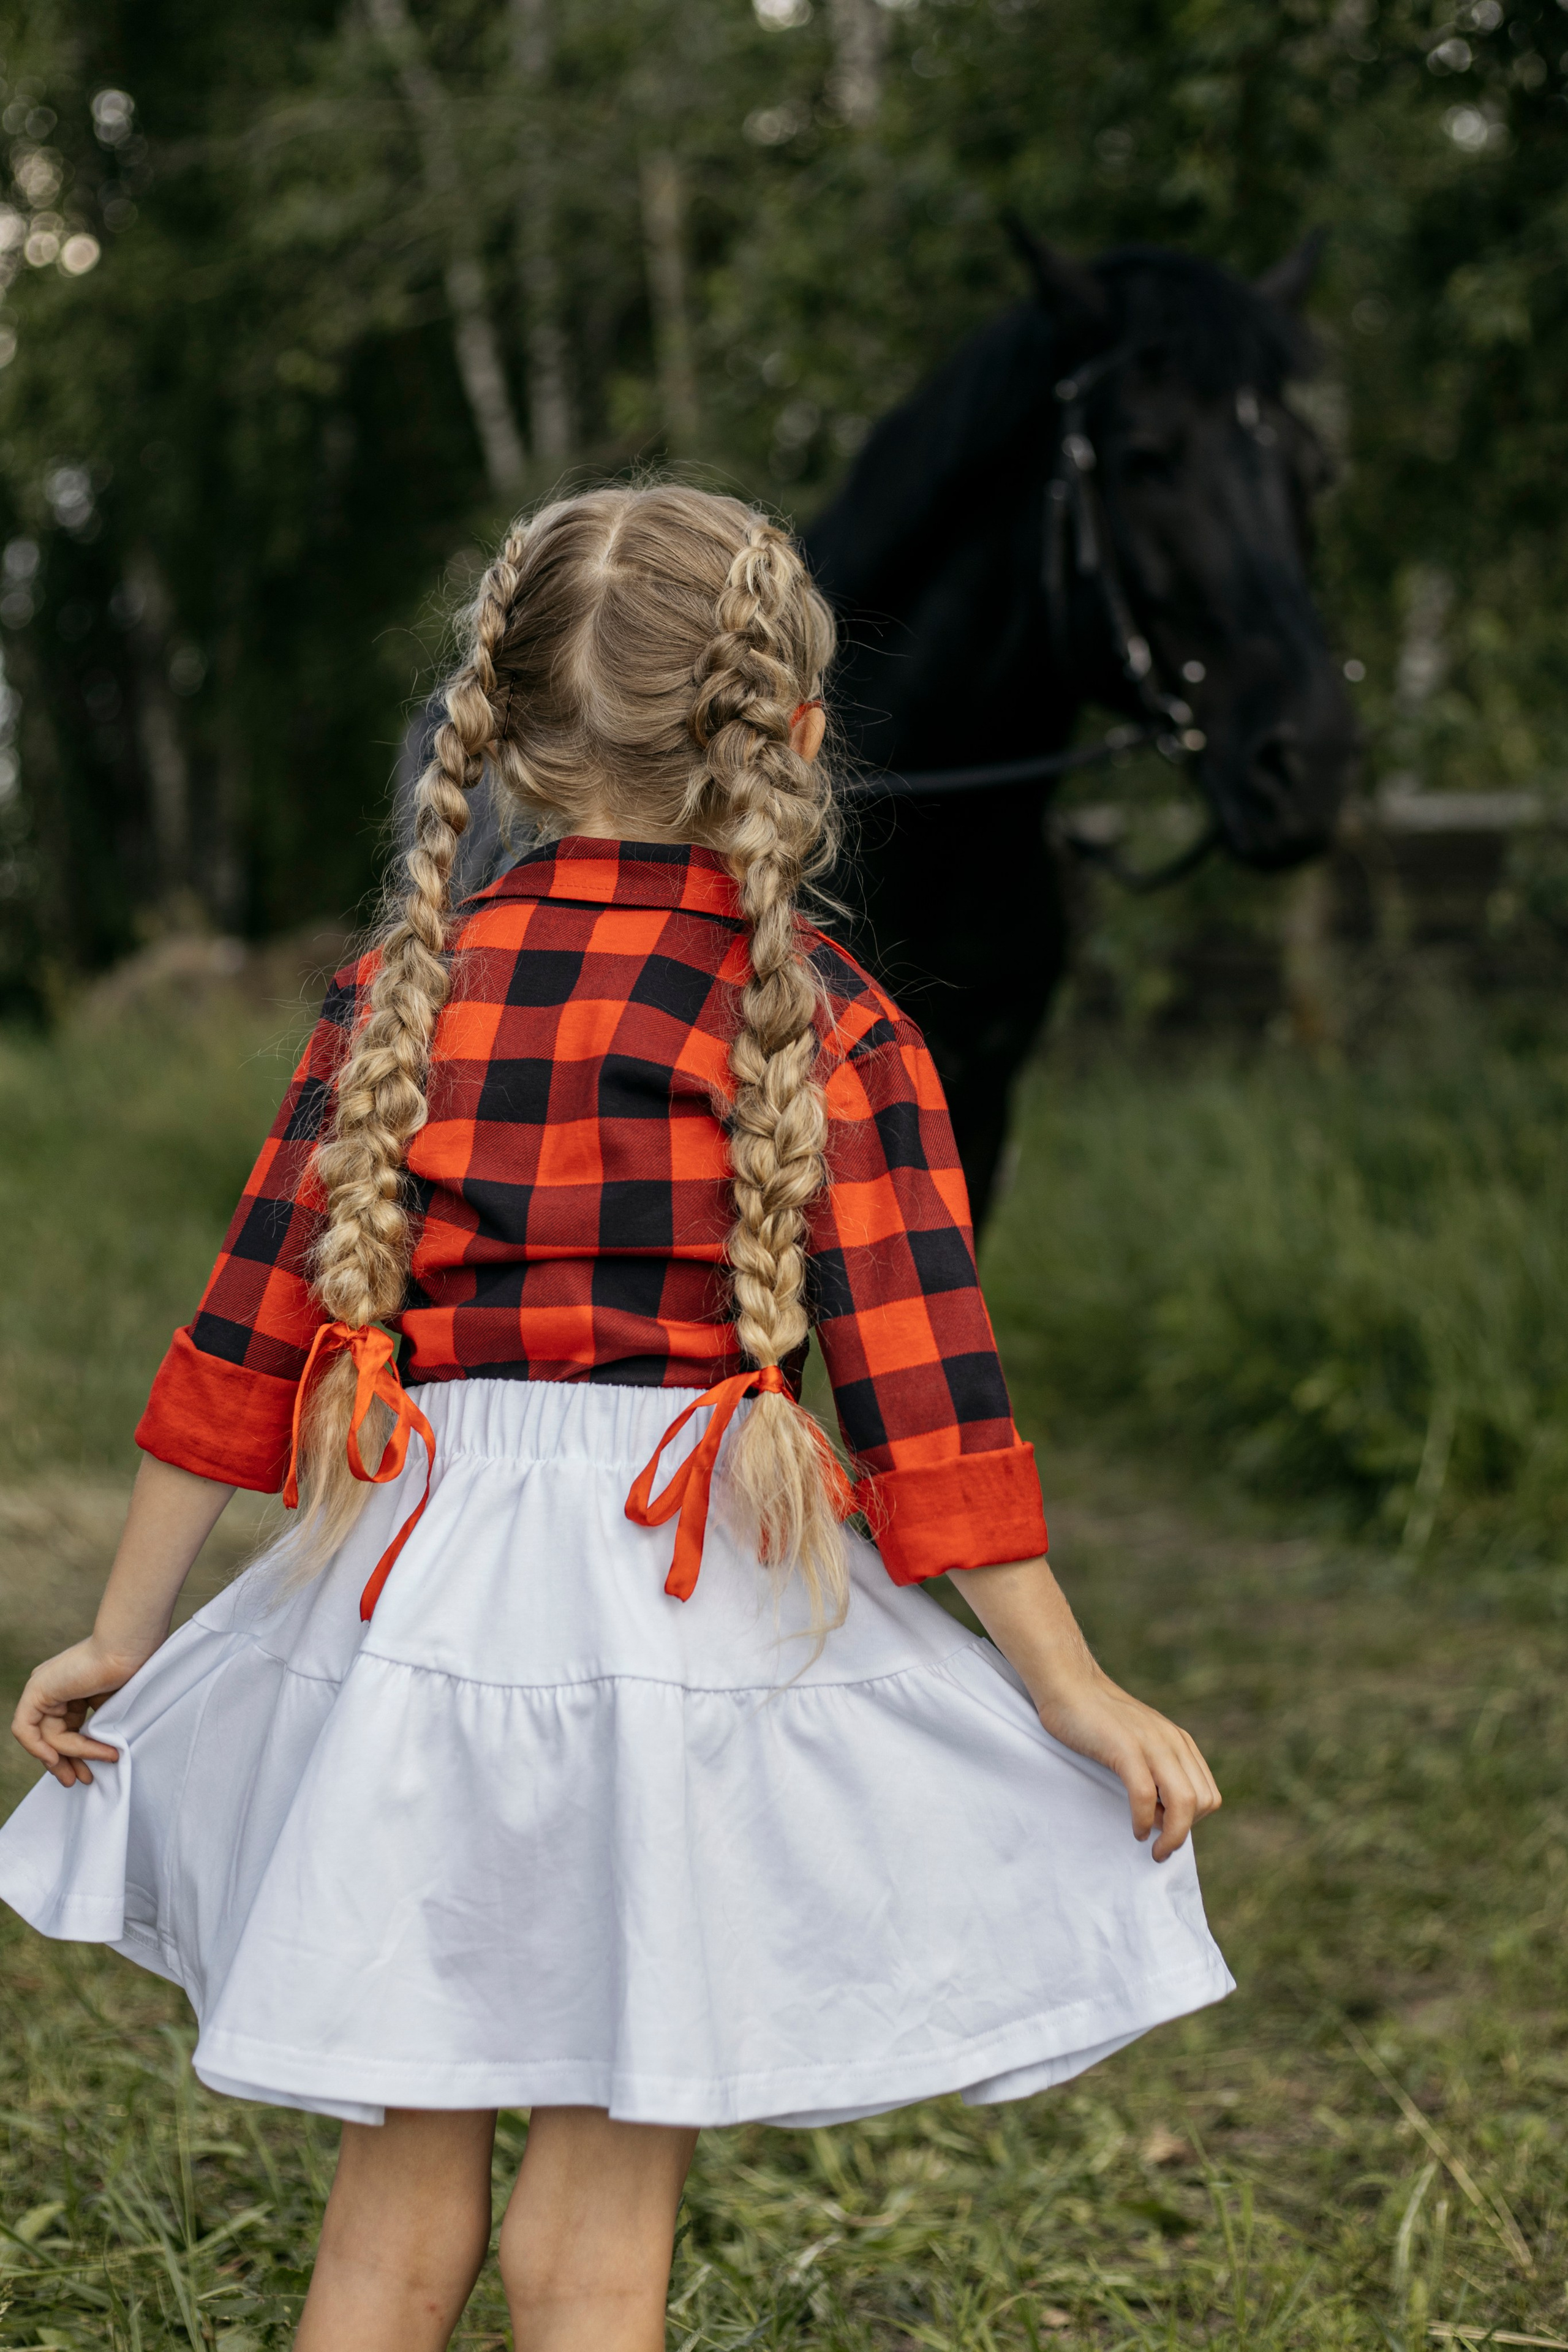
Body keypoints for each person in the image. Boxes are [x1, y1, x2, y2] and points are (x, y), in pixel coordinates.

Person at [0, 485, 1230, 2352]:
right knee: (593, 2253)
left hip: (407, 1611)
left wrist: (120, 1632)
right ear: (798, 737)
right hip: (681, 1624)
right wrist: (1070, 1690)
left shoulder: (398, 1003)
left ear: (491, 738)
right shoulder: (827, 1029)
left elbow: (241, 1351)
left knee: (386, 2231)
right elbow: (927, 1412)